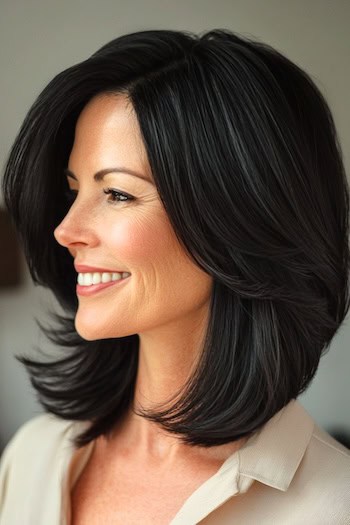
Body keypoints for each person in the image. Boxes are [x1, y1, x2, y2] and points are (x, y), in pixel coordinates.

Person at [0, 28, 349, 525]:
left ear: (236, 219)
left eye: (117, 194)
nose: (66, 230)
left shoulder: (334, 505)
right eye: (72, 190)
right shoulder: (31, 459)